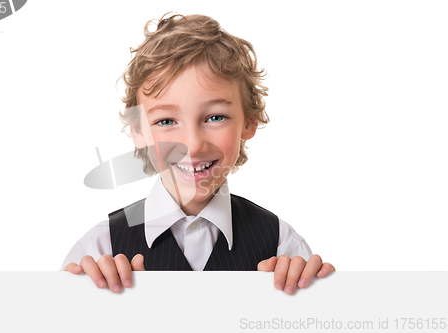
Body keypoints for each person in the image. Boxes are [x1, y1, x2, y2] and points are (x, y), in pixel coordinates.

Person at [62, 13, 335, 295]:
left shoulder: (281, 245)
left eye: (215, 117)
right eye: (166, 121)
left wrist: (310, 295)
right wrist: (87, 306)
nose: (192, 146)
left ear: (250, 121)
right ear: (138, 131)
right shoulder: (99, 248)